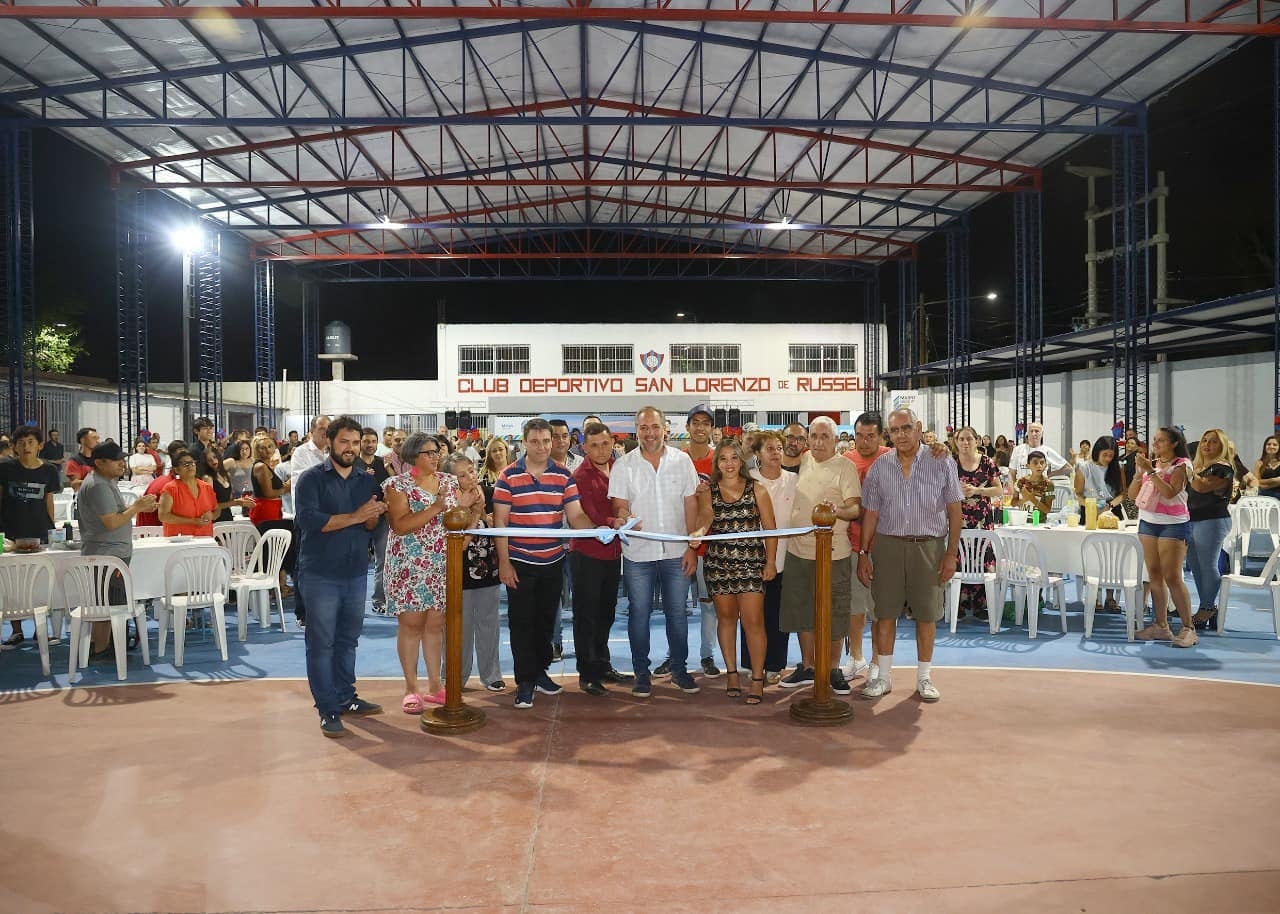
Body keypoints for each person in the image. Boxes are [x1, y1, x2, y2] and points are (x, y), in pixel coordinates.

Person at [857, 407, 964, 702]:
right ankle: (884, 677)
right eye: (895, 430)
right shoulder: (880, 467)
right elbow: (871, 514)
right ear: (888, 435)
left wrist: (951, 554)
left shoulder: (942, 461)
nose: (901, 435)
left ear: (918, 428)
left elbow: (955, 512)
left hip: (930, 546)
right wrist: (864, 553)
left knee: (927, 615)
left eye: (906, 428)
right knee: (884, 613)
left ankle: (924, 677)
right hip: (887, 545)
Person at [293, 416, 387, 738]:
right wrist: (358, 516)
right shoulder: (310, 479)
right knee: (321, 643)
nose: (351, 448)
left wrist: (373, 517)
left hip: (356, 571)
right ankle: (328, 708)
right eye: (344, 442)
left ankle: (346, 697)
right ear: (330, 442)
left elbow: (370, 525)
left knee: (348, 640)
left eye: (356, 442)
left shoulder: (366, 481)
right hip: (320, 573)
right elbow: (309, 521)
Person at [494, 418, 598, 710]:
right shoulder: (508, 476)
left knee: (544, 623)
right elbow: (500, 521)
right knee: (521, 623)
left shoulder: (564, 476)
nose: (542, 446)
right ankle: (525, 682)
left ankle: (540, 672)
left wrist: (598, 530)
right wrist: (505, 563)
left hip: (553, 561)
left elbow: (576, 516)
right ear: (524, 443)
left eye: (546, 441)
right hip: (520, 562)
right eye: (535, 441)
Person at [608, 406, 702, 698]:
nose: (649, 433)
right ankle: (641, 674)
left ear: (666, 428)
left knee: (678, 614)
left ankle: (680, 670)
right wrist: (623, 516)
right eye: (643, 427)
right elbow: (619, 505)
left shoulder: (683, 461)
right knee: (638, 615)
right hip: (638, 554)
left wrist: (690, 546)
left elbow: (691, 505)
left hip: (676, 551)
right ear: (636, 430)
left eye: (654, 427)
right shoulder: (623, 465)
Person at [383, 432, 480, 711]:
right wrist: (437, 507)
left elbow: (454, 519)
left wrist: (469, 507)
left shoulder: (449, 482)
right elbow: (400, 525)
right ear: (414, 455)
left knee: (436, 625)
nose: (436, 456)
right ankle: (411, 688)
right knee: (412, 625)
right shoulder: (397, 485)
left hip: (442, 562)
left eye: (437, 451)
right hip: (410, 564)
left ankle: (436, 685)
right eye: (429, 452)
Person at [777, 416, 862, 695]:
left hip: (834, 554)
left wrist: (836, 511)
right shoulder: (799, 462)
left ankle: (834, 668)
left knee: (835, 612)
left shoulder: (845, 467)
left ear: (836, 439)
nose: (819, 441)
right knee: (802, 611)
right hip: (797, 551)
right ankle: (809, 666)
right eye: (814, 436)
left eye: (825, 436)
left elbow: (854, 509)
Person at [689, 437, 777, 705]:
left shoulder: (757, 489)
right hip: (719, 566)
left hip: (751, 564)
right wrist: (699, 532)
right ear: (717, 463)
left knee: (754, 622)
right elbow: (706, 516)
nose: (728, 463)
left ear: (742, 461)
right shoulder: (707, 491)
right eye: (723, 458)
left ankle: (758, 679)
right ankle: (732, 675)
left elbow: (771, 529)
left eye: (734, 458)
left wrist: (770, 562)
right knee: (726, 620)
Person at [77, 441, 159, 658]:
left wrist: (138, 506)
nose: (122, 464)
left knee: (108, 604)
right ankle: (102, 651)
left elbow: (118, 515)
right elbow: (112, 522)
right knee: (108, 607)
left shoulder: (105, 481)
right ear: (99, 463)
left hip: (110, 554)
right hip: (106, 555)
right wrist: (137, 507)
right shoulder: (98, 485)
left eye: (123, 459)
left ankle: (105, 646)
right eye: (117, 460)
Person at [569, 421, 630, 696]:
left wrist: (626, 518)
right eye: (594, 445)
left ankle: (603, 664)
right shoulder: (581, 475)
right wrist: (615, 521)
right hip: (587, 554)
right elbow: (589, 514)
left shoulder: (620, 468)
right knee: (587, 616)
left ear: (612, 443)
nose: (601, 449)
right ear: (584, 447)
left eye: (605, 443)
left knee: (606, 613)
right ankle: (587, 673)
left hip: (612, 553)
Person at [1127, 426, 1197, 647]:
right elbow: (1131, 495)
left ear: (1174, 443)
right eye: (1154, 440)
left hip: (1173, 526)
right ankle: (1161, 626)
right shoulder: (1153, 465)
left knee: (1173, 577)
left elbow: (1169, 492)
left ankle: (1188, 628)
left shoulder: (1182, 465)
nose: (1155, 444)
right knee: (1154, 576)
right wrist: (1140, 474)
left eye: (1161, 441)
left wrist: (1149, 472)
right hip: (1148, 523)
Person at [442, 452, 504, 692]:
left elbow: (497, 529)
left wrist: (484, 512)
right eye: (462, 474)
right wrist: (474, 512)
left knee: (489, 624)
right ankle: (454, 676)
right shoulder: (446, 502)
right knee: (458, 628)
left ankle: (491, 674)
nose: (470, 477)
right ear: (450, 480)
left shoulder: (488, 493)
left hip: (487, 569)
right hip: (458, 573)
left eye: (471, 470)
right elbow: (460, 543)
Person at [837, 412, 891, 677]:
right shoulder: (845, 461)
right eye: (859, 435)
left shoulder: (892, 457)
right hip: (853, 544)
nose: (864, 441)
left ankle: (877, 662)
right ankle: (855, 657)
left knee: (881, 609)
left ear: (881, 436)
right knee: (855, 608)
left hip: (886, 546)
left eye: (871, 436)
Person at [0, 426, 62, 648]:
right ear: (14, 446)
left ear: (39, 445)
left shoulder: (48, 471)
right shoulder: (5, 468)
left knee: (40, 581)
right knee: (12, 582)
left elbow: (49, 501)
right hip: (10, 532)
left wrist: (52, 529)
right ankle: (16, 630)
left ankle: (40, 629)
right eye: (21, 443)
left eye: (30, 442)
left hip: (39, 530)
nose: (25, 447)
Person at [746, 430, 797, 683]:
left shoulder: (794, 480)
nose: (776, 452)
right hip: (750, 559)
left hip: (785, 558)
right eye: (769, 449)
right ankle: (750, 665)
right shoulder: (748, 480)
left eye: (779, 448)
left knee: (778, 615)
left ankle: (776, 664)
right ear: (757, 454)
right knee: (752, 615)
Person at [683, 402, 721, 678]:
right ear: (687, 427)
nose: (700, 427)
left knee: (710, 605)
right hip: (678, 543)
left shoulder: (720, 461)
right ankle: (675, 657)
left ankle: (707, 655)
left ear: (711, 428)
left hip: (709, 545)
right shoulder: (676, 458)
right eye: (695, 422)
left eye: (705, 423)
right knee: (675, 605)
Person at [1187, 429, 1237, 631]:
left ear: (1222, 446)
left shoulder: (1222, 468)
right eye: (1204, 441)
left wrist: (1188, 470)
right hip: (1193, 520)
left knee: (1208, 566)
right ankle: (1207, 606)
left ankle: (1207, 607)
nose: (1207, 445)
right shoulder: (1200, 466)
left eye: (1213, 442)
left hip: (1212, 520)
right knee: (1196, 566)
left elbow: (1201, 487)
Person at [953, 426, 1002, 621]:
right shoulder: (951, 463)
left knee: (983, 559)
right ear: (956, 443)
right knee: (960, 559)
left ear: (977, 441)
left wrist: (977, 490)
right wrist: (959, 491)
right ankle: (959, 603)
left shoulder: (987, 462)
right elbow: (941, 491)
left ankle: (982, 604)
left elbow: (999, 490)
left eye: (969, 439)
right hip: (959, 519)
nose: (965, 443)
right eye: (961, 439)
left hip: (982, 519)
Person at [249, 435, 297, 602]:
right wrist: (286, 487)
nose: (266, 450)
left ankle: (280, 585)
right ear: (256, 449)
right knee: (271, 549)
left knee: (277, 549)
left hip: (273, 510)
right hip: (266, 512)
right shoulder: (261, 467)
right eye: (262, 447)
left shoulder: (266, 466)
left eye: (269, 446)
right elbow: (269, 493)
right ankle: (274, 586)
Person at [356, 427, 391, 614]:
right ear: (360, 443)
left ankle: (380, 600)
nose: (370, 444)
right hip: (358, 519)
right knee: (357, 562)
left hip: (382, 518)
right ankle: (354, 603)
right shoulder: (352, 464)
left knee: (383, 561)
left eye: (372, 441)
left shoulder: (383, 463)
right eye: (366, 441)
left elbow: (392, 487)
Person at [158, 449, 218, 537]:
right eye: (185, 464)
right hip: (179, 541)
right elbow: (163, 516)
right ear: (176, 469)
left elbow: (217, 510)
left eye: (192, 463)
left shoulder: (206, 487)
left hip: (205, 538)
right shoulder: (170, 489)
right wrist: (193, 521)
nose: (190, 466)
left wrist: (212, 515)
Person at [199, 443, 252, 523]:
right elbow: (211, 505)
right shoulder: (208, 478)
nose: (213, 461)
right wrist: (236, 502)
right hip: (215, 519)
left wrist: (241, 500)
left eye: (214, 457)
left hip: (228, 516)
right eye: (209, 460)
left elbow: (228, 499)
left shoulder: (224, 474)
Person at [1013, 451, 1054, 517]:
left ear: (1046, 465)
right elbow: (1013, 503)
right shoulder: (1021, 481)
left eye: (1042, 463)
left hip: (1039, 523)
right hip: (1022, 521)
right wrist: (1024, 499)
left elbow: (1047, 510)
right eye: (1035, 463)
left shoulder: (1048, 484)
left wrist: (1031, 498)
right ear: (1028, 466)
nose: (1039, 466)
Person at [1244, 435, 1280, 500]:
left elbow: (1259, 482)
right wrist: (1274, 480)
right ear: (1265, 447)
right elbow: (1255, 482)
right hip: (1262, 495)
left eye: (1275, 445)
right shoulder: (1259, 463)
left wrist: (1263, 483)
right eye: (1269, 444)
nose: (1271, 446)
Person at [64, 427, 100, 491]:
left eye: (98, 438)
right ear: (82, 440)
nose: (98, 441)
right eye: (94, 438)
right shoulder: (74, 461)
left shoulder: (100, 459)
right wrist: (99, 482)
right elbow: (75, 484)